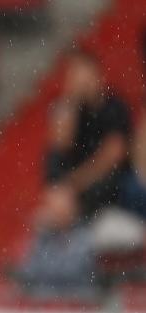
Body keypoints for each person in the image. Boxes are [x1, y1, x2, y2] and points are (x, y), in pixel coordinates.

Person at [46, 49, 131, 217]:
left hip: (110, 185)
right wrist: (70, 100)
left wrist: (73, 184)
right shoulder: (70, 109)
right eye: (74, 75)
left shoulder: (115, 107)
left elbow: (112, 157)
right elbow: (60, 144)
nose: (81, 81)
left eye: (84, 73)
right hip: (76, 188)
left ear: (98, 75)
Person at [14, 185, 96, 297]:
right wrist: (33, 232)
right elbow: (28, 272)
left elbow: (71, 272)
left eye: (57, 209)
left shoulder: (85, 237)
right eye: (50, 208)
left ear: (73, 210)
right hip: (43, 304)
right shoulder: (42, 238)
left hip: (80, 304)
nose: (51, 214)